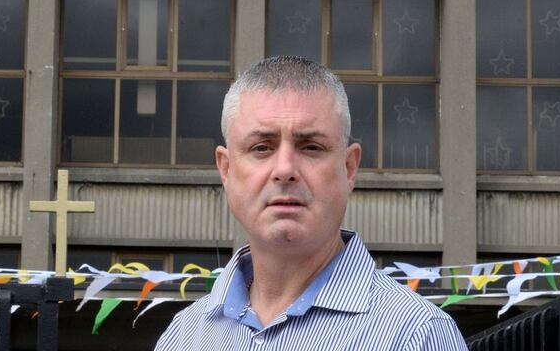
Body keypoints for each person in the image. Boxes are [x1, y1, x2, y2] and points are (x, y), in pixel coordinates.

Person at [155, 56, 467, 350]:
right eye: (262, 147)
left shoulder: (417, 335)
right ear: (226, 169)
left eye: (311, 147)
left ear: (349, 168)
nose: (285, 170)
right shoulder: (183, 337)